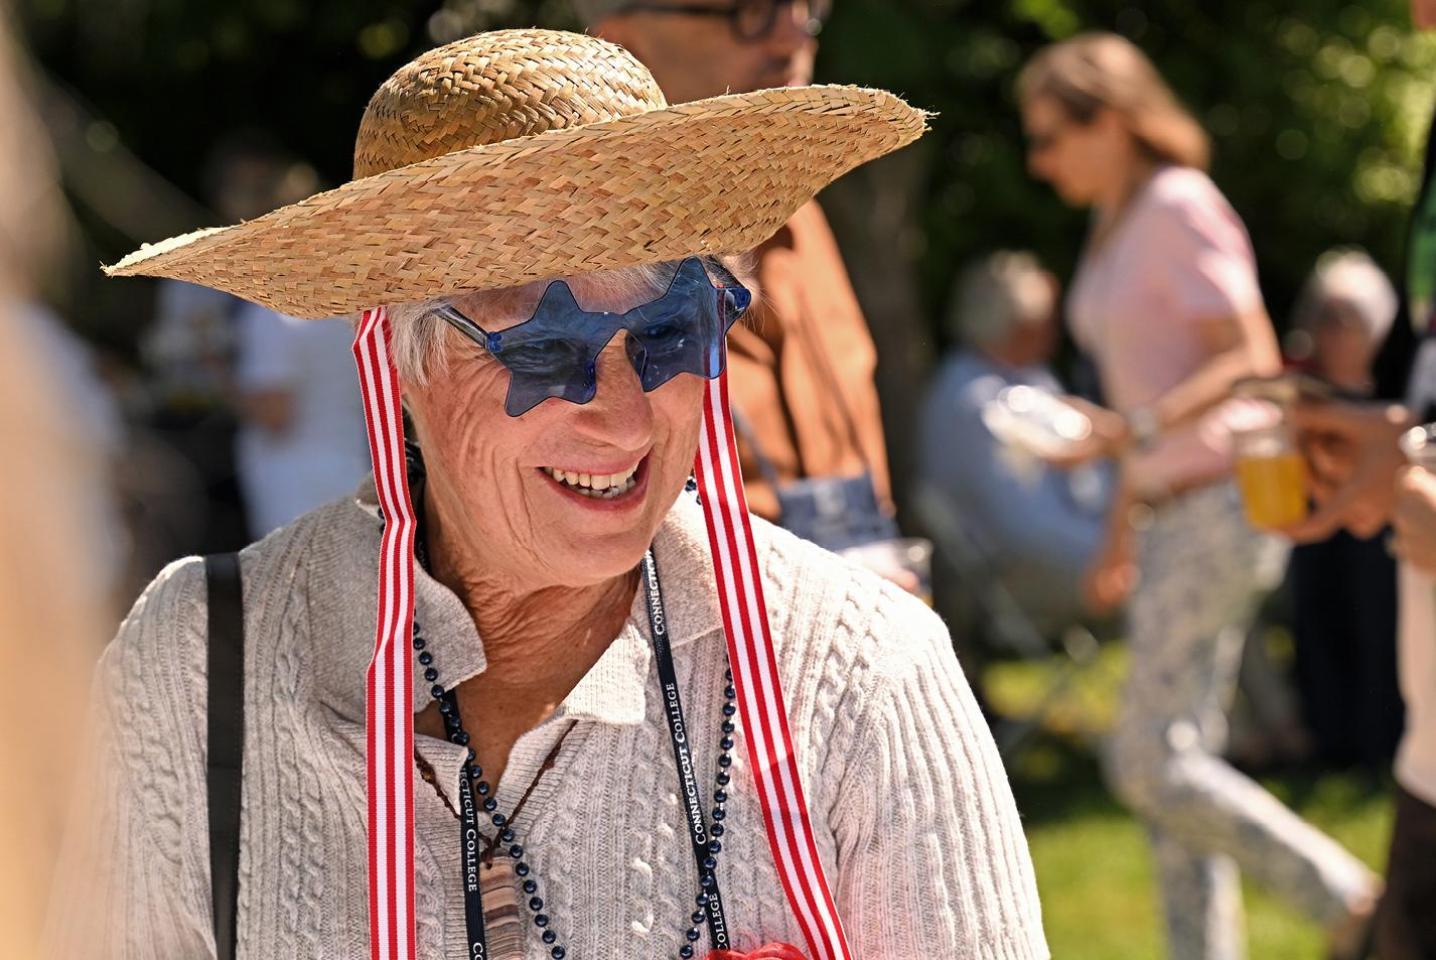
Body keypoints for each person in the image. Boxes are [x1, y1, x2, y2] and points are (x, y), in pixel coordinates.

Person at [47, 30, 1048, 960]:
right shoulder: (203, 662)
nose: (619, 418)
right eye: (542, 351)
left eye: (665, 336)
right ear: (400, 362)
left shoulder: (855, 674)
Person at [1018, 33, 1379, 960]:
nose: (1039, 160)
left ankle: (1353, 901)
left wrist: (1135, 434)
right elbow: (1139, 398)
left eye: (1052, 135)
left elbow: (1250, 355)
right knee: (1176, 762)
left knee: (1145, 759)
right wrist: (1118, 525)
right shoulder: (1117, 218)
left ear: (1110, 120)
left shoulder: (1178, 205)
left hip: (1221, 502)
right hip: (1169, 507)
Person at [578, 0, 898, 554]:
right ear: (622, 44)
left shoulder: (801, 213)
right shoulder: (575, 260)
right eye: (752, 11)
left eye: (806, 6)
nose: (793, 34)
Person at [917, 251, 1118, 636]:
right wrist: (1114, 551)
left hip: (1069, 547)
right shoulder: (971, 402)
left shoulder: (1029, 377)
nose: (1053, 334)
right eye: (1041, 324)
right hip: (1015, 575)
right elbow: (1023, 528)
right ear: (1013, 328)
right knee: (1171, 574)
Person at [1285, 251, 1404, 772]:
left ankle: (1379, 743)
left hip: (1380, 523)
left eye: (1345, 319)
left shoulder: (1400, 390)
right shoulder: (1306, 390)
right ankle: (1330, 738)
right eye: (1323, 318)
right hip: (1321, 522)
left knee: (1377, 610)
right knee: (1314, 605)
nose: (1330, 333)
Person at [232, 302, 371, 537]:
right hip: (351, 465)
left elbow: (274, 414)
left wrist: (215, 374)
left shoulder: (272, 317)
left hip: (293, 479)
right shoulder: (349, 310)